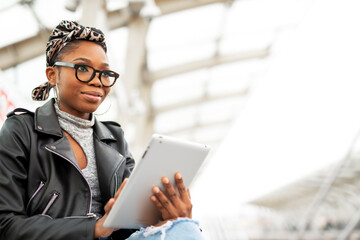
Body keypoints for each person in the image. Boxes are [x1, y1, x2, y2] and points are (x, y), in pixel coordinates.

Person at [0, 20, 204, 240]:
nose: (98, 81)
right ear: (52, 75)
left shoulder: (114, 138)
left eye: (105, 73)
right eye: (83, 69)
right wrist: (94, 228)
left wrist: (167, 218)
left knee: (185, 228)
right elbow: (6, 225)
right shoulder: (22, 131)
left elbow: (129, 225)